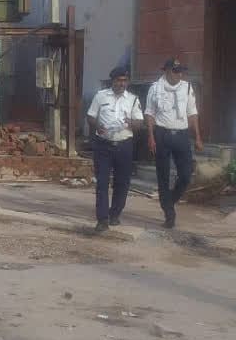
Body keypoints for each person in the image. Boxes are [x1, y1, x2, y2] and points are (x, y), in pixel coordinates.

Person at [145, 58, 203, 228]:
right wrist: (151, 136)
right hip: (161, 134)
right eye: (177, 71)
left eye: (181, 71)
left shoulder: (187, 88)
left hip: (181, 135)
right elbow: (150, 113)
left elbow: (192, 113)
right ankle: (169, 214)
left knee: (186, 174)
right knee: (162, 176)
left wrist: (198, 137)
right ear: (168, 71)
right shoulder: (155, 88)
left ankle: (169, 200)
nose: (180, 74)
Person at [86, 67, 144, 232]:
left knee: (122, 183)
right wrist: (98, 125)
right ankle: (102, 219)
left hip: (124, 145)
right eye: (119, 80)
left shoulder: (133, 99)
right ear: (112, 81)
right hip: (103, 144)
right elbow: (90, 116)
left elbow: (140, 123)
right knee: (102, 182)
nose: (122, 83)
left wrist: (130, 122)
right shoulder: (100, 96)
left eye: (125, 80)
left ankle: (115, 214)